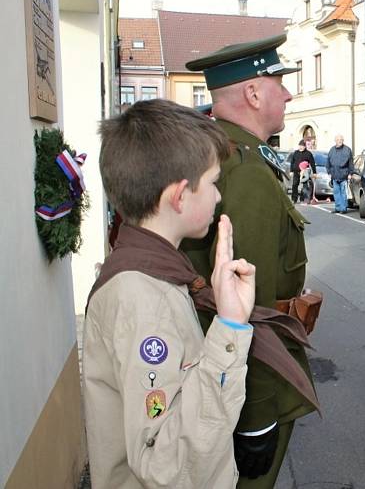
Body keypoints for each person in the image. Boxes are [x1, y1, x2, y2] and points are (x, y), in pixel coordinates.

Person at [84, 99, 266, 488]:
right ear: (180, 196)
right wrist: (231, 326)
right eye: (214, 182)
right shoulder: (144, 298)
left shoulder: (153, 273)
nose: (218, 197)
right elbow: (167, 463)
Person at [181, 35, 318, 488]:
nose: (288, 92)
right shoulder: (248, 172)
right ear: (254, 94)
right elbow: (248, 308)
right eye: (278, 81)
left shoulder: (225, 153)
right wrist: (255, 416)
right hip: (255, 376)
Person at [326, 134, 354, 214]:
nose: (339, 141)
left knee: (343, 193)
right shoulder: (332, 150)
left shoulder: (347, 149)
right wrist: (329, 172)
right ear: (335, 141)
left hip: (344, 175)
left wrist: (350, 173)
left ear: (343, 140)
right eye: (338, 139)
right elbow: (328, 162)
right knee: (336, 193)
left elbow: (351, 163)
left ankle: (343, 208)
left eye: (341, 139)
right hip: (334, 175)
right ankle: (337, 208)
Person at [289, 139, 317, 204]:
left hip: (305, 172)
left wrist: (314, 172)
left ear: (305, 147)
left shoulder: (308, 154)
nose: (301, 147)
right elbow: (292, 162)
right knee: (295, 185)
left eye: (302, 146)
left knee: (304, 186)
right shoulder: (295, 153)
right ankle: (294, 199)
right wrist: (291, 171)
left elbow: (312, 163)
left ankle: (302, 198)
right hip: (296, 171)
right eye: (300, 146)